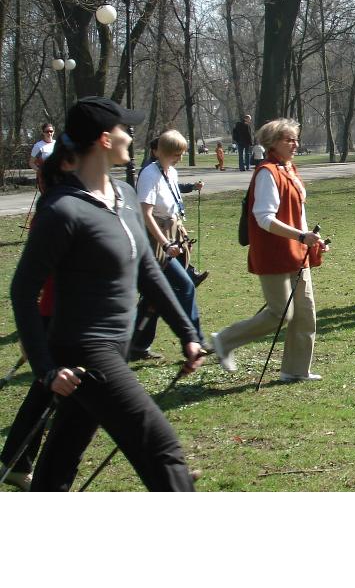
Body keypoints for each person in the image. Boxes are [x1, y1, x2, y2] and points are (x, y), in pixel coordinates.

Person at [10, 96, 205, 491]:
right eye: (123, 129)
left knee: (59, 461)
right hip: (84, 350)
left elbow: (148, 272)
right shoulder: (63, 211)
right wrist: (46, 368)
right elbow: (22, 290)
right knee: (162, 450)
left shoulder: (124, 196)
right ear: (103, 139)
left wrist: (187, 333)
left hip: (117, 344)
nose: (130, 135)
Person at [211, 119, 328, 382]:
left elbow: (299, 212)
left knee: (305, 312)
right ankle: (225, 340)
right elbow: (263, 217)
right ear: (272, 142)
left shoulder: (289, 169)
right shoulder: (267, 172)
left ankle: (295, 370)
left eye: (295, 138)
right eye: (288, 139)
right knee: (280, 314)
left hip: (298, 251)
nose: (295, 144)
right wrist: (300, 235)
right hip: (274, 252)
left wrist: (312, 238)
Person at [1, 147, 76, 491]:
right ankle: (18, 460)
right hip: (55, 316)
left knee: (44, 395)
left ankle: (17, 459)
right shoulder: (53, 214)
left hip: (60, 316)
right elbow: (34, 283)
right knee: (45, 394)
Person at [129, 129, 207, 362]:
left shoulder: (169, 172)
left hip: (172, 235)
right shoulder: (149, 174)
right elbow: (145, 214)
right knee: (184, 286)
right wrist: (164, 243)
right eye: (176, 154)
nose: (180, 158)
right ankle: (196, 340)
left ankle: (137, 344)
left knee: (155, 296)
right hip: (155, 242)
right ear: (162, 152)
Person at [29, 122, 56, 187]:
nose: (49, 133)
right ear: (43, 132)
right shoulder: (38, 146)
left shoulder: (57, 144)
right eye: (47, 131)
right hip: (45, 179)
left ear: (53, 132)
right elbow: (31, 163)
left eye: (51, 131)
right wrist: (41, 171)